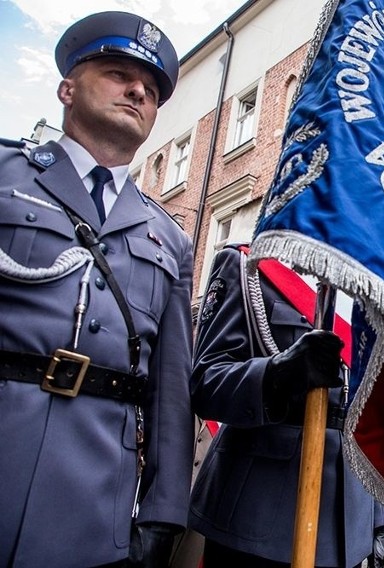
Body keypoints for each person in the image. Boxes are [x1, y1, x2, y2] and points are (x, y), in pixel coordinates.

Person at [0, 11, 193, 568]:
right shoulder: (8, 176)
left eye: (152, 90)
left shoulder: (169, 237)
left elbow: (171, 390)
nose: (138, 89)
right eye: (117, 72)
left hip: (92, 505)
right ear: (67, 88)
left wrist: (162, 513)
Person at [188, 243, 375, 567]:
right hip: (257, 512)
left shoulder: (372, 287)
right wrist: (276, 373)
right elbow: (205, 382)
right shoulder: (249, 262)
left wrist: (382, 519)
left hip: (349, 524)